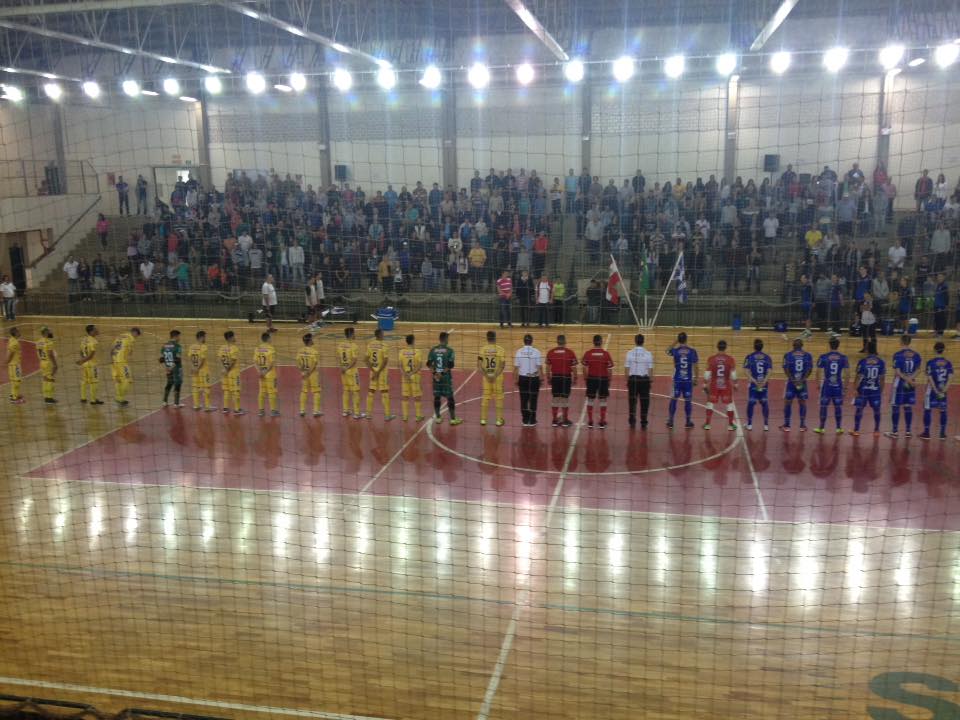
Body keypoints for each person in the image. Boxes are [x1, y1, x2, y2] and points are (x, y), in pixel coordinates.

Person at [887, 335, 921, 437]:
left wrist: (907, 380)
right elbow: (919, 370)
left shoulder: (897, 355)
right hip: (910, 384)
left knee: (895, 406)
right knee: (908, 406)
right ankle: (908, 431)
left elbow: (898, 372)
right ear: (909, 342)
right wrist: (911, 380)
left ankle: (895, 431)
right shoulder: (916, 355)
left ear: (901, 342)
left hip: (900, 384)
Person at [814, 337, 849, 434]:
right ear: (838, 345)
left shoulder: (823, 357)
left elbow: (818, 372)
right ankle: (838, 428)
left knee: (824, 406)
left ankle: (821, 428)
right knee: (838, 406)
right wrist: (845, 387)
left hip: (827, 386)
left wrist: (817, 384)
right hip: (838, 385)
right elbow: (847, 374)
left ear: (829, 345)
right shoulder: (843, 357)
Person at [920, 342, 953, 440]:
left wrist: (935, 390)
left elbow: (930, 378)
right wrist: (943, 391)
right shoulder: (948, 363)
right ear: (944, 350)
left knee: (927, 410)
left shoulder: (930, 362)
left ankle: (926, 433)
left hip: (932, 391)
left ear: (934, 349)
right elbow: (950, 378)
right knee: (943, 411)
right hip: (943, 390)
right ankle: (942, 434)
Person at [852, 340, 885, 436]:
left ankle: (856, 430)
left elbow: (858, 377)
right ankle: (877, 430)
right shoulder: (881, 362)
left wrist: (855, 388)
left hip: (863, 390)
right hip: (875, 390)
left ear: (867, 350)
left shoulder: (862, 362)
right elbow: (882, 379)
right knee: (877, 410)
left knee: (859, 409)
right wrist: (881, 391)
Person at [428, 332, 462, 425]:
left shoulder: (433, 350)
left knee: (437, 397)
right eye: (448, 339)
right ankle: (453, 419)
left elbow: (429, 364)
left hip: (436, 378)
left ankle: (438, 417)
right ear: (446, 339)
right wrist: (442, 373)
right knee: (450, 397)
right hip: (445, 377)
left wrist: (435, 373)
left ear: (439, 339)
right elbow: (451, 365)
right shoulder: (450, 350)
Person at [666, 332, 699, 429]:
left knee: (674, 399)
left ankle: (671, 421)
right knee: (688, 401)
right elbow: (696, 366)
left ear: (679, 340)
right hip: (688, 381)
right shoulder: (692, 351)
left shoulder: (675, 351)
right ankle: (688, 422)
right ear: (686, 339)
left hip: (677, 380)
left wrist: (675, 341)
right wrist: (696, 378)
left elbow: (667, 350)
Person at [703, 340, 738, 431]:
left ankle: (707, 424)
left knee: (710, 403)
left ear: (717, 347)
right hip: (726, 385)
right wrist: (735, 384)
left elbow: (707, 373)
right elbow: (733, 374)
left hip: (714, 385)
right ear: (725, 347)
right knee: (729, 405)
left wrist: (705, 384)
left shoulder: (711, 359)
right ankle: (730, 425)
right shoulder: (730, 359)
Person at [582, 334, 614, 429]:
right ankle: (602, 422)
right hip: (603, 379)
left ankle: (590, 421)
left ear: (593, 342)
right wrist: (609, 380)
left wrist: (586, 379)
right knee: (603, 400)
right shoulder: (606, 354)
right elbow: (609, 369)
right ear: (601, 342)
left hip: (591, 379)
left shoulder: (588, 353)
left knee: (590, 400)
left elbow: (584, 368)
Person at [781, 338, 813, 431]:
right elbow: (809, 369)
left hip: (791, 383)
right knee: (802, 402)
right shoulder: (808, 355)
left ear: (793, 345)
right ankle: (802, 425)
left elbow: (786, 369)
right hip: (802, 383)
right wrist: (803, 380)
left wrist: (793, 380)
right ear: (802, 345)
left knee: (788, 402)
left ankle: (787, 426)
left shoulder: (788, 355)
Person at [546, 334, 578, 428]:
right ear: (565, 341)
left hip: (555, 378)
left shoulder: (551, 352)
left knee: (555, 398)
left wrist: (548, 378)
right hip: (566, 378)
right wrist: (575, 378)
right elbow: (574, 368)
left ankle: (555, 420)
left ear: (557, 341)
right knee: (565, 399)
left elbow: (548, 368)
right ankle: (565, 420)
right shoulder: (570, 352)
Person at [477, 330, 507, 426]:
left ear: (487, 338)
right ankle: (498, 420)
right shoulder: (500, 349)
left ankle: (483, 420)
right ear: (495, 337)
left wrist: (487, 376)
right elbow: (502, 366)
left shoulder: (482, 350)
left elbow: (479, 366)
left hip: (486, 378)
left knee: (485, 397)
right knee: (499, 398)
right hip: (497, 378)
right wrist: (495, 375)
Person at [513, 333, 543, 427]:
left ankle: (525, 420)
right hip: (534, 379)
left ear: (524, 341)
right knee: (533, 400)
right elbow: (539, 367)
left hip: (523, 378)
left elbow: (516, 368)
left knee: (524, 400)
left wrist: (516, 379)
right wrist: (541, 378)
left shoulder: (519, 351)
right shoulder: (536, 351)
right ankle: (532, 420)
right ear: (532, 341)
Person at [624, 333, 653, 429]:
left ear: (635, 341)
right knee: (645, 402)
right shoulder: (648, 354)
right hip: (644, 380)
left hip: (633, 380)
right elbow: (650, 370)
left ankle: (632, 421)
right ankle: (643, 422)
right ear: (643, 341)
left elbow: (626, 370)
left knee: (632, 401)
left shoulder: (629, 353)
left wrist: (628, 381)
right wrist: (650, 382)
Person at [743, 339, 772, 431]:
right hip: (764, 384)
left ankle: (750, 424)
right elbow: (769, 371)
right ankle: (766, 425)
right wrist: (764, 381)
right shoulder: (767, 357)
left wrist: (754, 381)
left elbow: (746, 371)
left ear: (754, 346)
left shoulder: (749, 357)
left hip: (754, 384)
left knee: (751, 402)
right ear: (762, 346)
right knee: (764, 402)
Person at [365, 328, 393, 420]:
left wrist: (373, 371)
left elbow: (365, 359)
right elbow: (385, 361)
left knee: (371, 391)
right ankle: (387, 415)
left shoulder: (370, 344)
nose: (384, 335)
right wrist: (378, 372)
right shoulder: (384, 345)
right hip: (382, 372)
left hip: (372, 372)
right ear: (380, 335)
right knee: (384, 392)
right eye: (383, 334)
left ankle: (368, 414)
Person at [110, 326, 141, 406]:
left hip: (114, 360)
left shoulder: (120, 336)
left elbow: (112, 348)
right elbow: (130, 352)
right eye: (137, 335)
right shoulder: (131, 338)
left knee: (118, 380)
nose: (136, 337)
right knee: (128, 380)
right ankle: (120, 398)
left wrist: (112, 359)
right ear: (134, 332)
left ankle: (119, 398)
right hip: (122, 362)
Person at [295, 333, 322, 418]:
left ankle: (302, 410)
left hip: (304, 374)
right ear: (310, 341)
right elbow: (314, 364)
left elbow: (298, 364)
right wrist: (309, 373)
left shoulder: (300, 351)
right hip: (312, 374)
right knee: (316, 392)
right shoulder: (314, 352)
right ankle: (316, 411)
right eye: (312, 339)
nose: (313, 340)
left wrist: (303, 372)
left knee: (304, 391)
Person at [398, 334, 424, 422]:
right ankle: (418, 416)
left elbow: (400, 366)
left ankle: (405, 417)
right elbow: (420, 365)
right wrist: (411, 373)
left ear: (406, 341)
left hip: (405, 377)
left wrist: (405, 374)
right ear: (413, 341)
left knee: (405, 396)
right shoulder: (417, 351)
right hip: (415, 377)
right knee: (417, 397)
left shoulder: (402, 352)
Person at [337, 327, 361, 419]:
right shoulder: (354, 346)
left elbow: (339, 358)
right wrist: (347, 367)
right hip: (352, 371)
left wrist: (343, 368)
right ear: (351, 334)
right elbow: (354, 360)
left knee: (346, 391)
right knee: (356, 391)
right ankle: (356, 413)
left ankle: (345, 411)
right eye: (354, 333)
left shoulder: (340, 345)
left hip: (343, 371)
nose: (355, 335)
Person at [252, 331, 279, 417]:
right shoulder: (271, 349)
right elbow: (271, 363)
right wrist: (266, 372)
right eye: (270, 337)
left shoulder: (257, 348)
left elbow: (255, 361)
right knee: (272, 392)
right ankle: (273, 411)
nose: (271, 339)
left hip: (261, 374)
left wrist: (259, 371)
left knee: (261, 392)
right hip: (270, 373)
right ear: (268, 339)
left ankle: (261, 411)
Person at [218, 331, 245, 415]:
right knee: (236, 390)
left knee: (226, 390)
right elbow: (233, 361)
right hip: (233, 372)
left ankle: (225, 408)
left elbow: (221, 359)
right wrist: (228, 369)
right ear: (230, 338)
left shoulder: (221, 348)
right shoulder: (234, 348)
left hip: (224, 372)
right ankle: (237, 409)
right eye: (233, 336)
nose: (235, 338)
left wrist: (225, 369)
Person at [188, 330, 216, 412]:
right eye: (204, 337)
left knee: (195, 387)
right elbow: (203, 360)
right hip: (203, 370)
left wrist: (193, 367)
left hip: (194, 370)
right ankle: (207, 406)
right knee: (206, 387)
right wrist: (198, 368)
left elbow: (190, 358)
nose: (205, 338)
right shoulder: (203, 347)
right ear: (201, 337)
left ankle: (196, 405)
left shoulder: (192, 347)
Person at [77, 324, 103, 405]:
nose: (97, 330)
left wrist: (82, 360)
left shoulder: (84, 339)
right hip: (91, 364)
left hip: (84, 363)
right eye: (95, 329)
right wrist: (83, 360)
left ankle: (83, 398)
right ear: (91, 331)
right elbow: (91, 355)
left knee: (84, 381)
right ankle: (93, 400)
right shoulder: (94, 341)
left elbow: (80, 351)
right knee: (94, 382)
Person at [160, 329, 184, 408]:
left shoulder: (164, 345)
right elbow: (177, 360)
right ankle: (176, 403)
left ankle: (164, 401)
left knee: (169, 384)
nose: (180, 338)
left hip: (168, 368)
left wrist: (167, 367)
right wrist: (171, 367)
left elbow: (161, 359)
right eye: (179, 336)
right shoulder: (177, 346)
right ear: (176, 336)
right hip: (176, 369)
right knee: (178, 384)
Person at [36, 326, 58, 404]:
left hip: (42, 362)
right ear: (45, 332)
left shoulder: (38, 341)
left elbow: (38, 353)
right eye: (48, 330)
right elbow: (50, 354)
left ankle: (46, 397)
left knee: (45, 379)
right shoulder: (49, 342)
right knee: (50, 379)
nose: (50, 331)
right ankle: (49, 398)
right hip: (48, 363)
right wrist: (55, 364)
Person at [6, 327, 24, 404]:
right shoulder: (15, 343)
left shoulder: (11, 339)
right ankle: (14, 399)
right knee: (17, 381)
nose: (20, 332)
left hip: (12, 365)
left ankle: (14, 394)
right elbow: (11, 354)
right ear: (15, 333)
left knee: (13, 381)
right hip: (15, 365)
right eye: (18, 331)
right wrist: (6, 362)